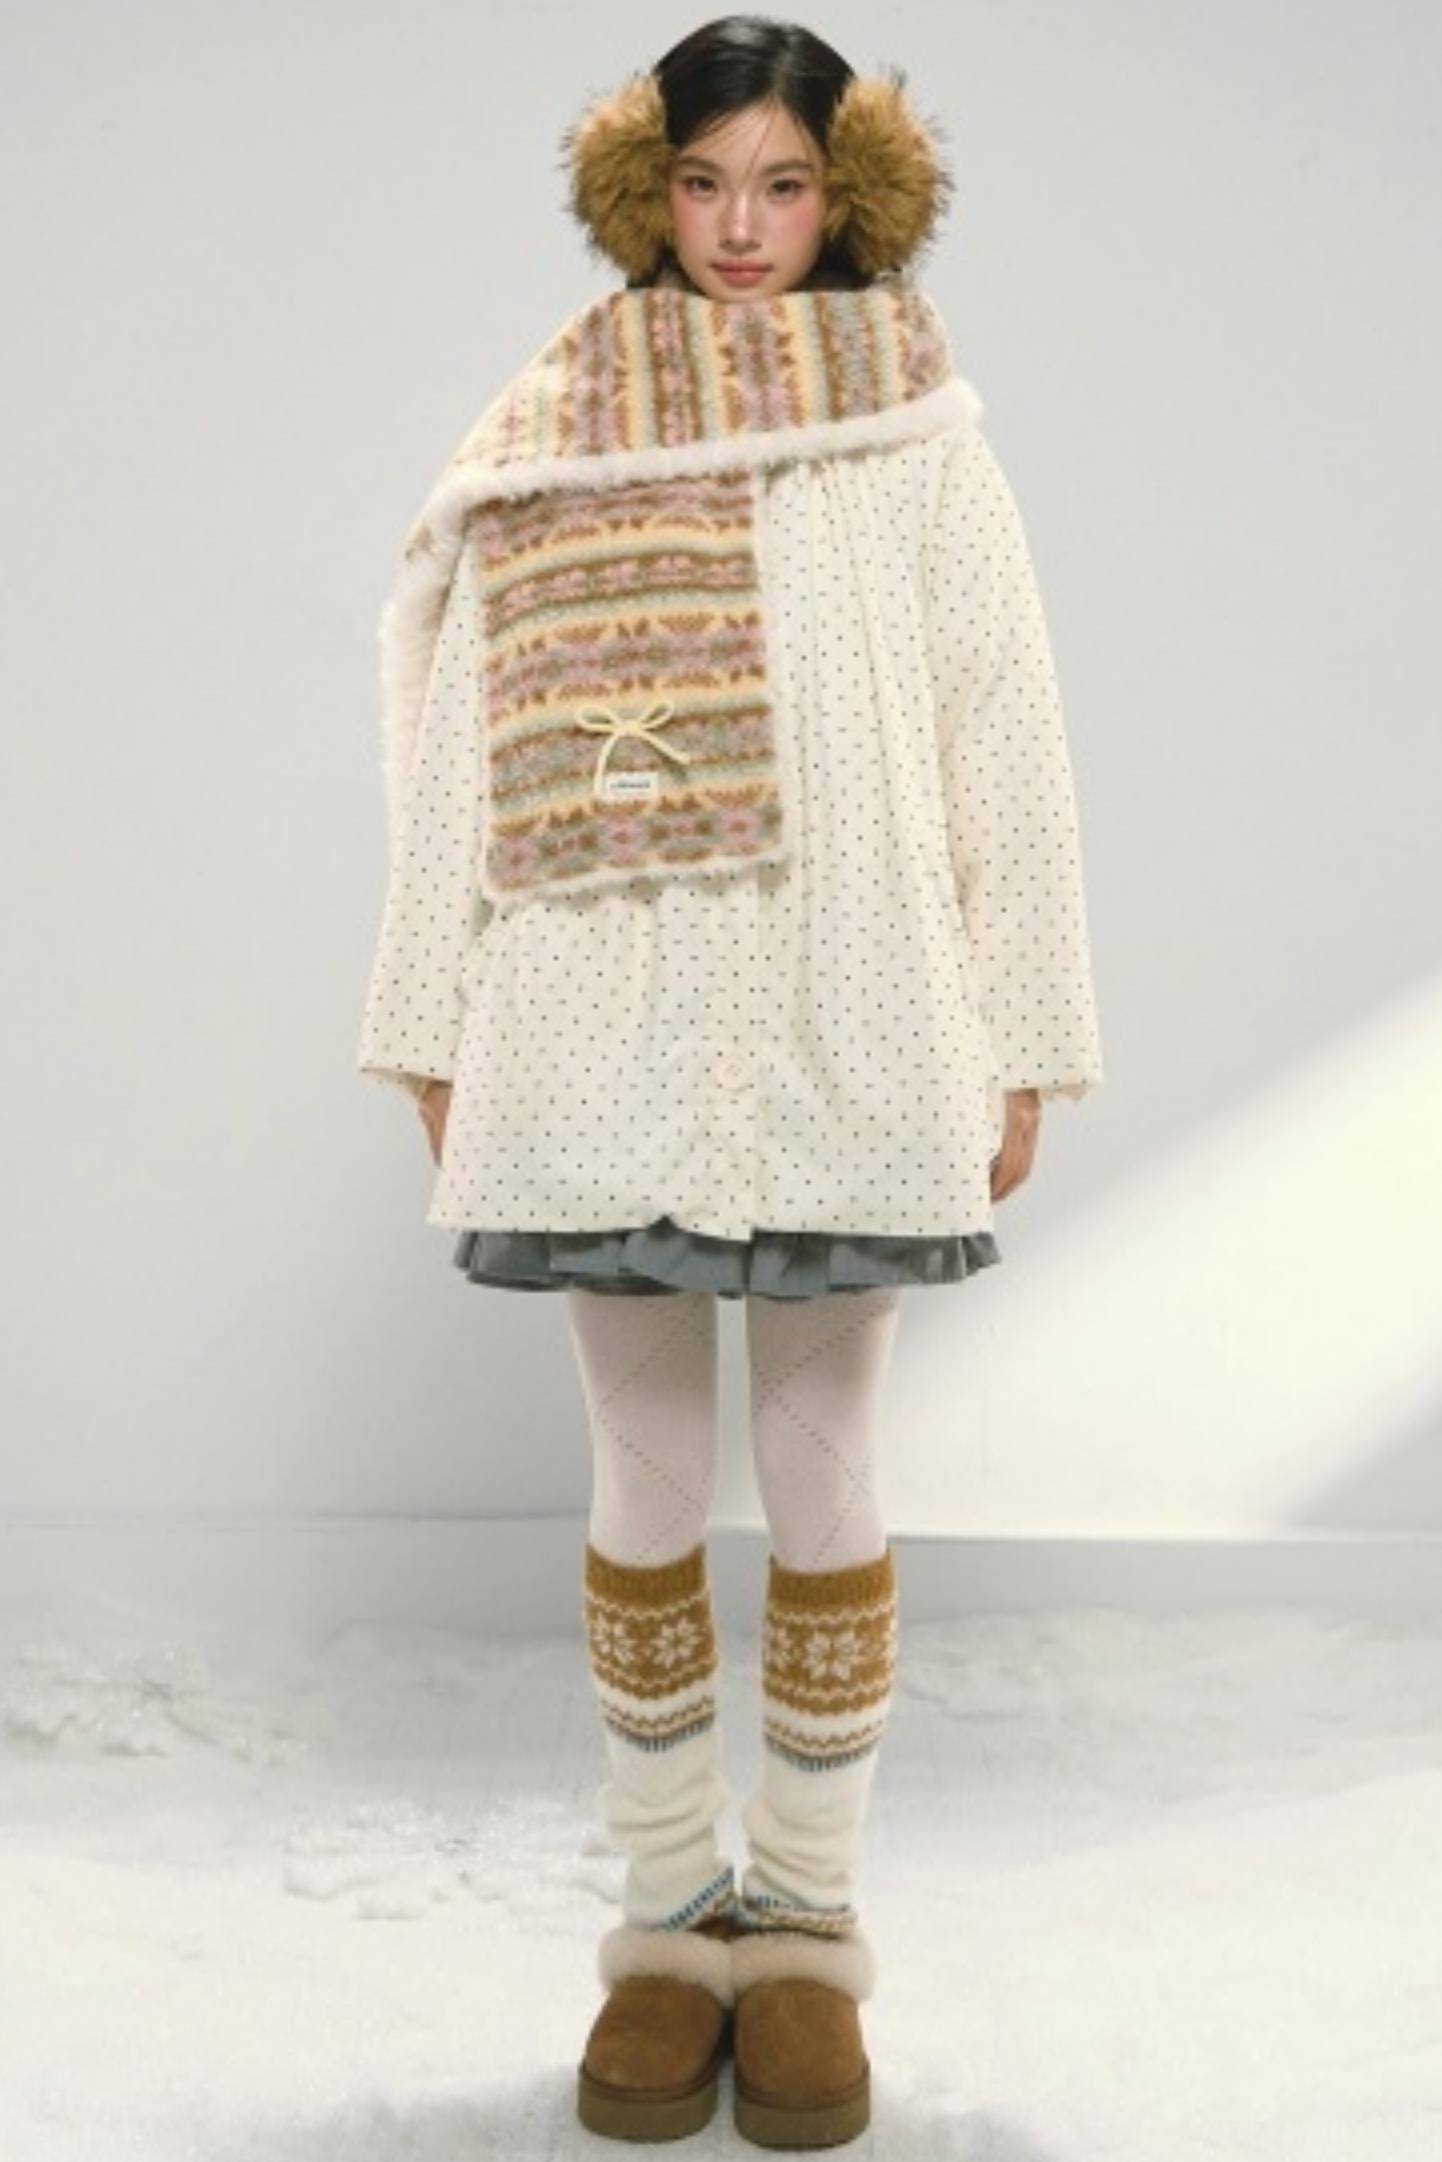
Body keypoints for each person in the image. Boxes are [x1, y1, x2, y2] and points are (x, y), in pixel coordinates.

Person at [356, 15, 1103, 2147]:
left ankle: (805, 1926)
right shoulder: (553, 421)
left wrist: (1026, 1030)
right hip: (596, 1006)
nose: (742, 227)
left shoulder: (918, 430)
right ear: (646, 192)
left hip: (854, 1002)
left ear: (845, 193)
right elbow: (463, 724)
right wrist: (429, 1014)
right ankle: (667, 1917)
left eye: (782, 184)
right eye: (703, 184)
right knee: (646, 1477)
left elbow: (1004, 733)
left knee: (830, 1464)